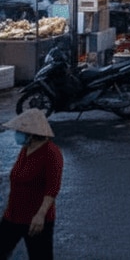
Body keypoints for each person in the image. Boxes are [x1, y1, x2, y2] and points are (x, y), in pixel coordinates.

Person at [0, 109, 63, 260]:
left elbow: (52, 188)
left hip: (36, 220)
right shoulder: (26, 149)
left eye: (20, 131)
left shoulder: (52, 153)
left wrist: (40, 215)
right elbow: (17, 176)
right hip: (13, 215)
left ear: (32, 134)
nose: (17, 134)